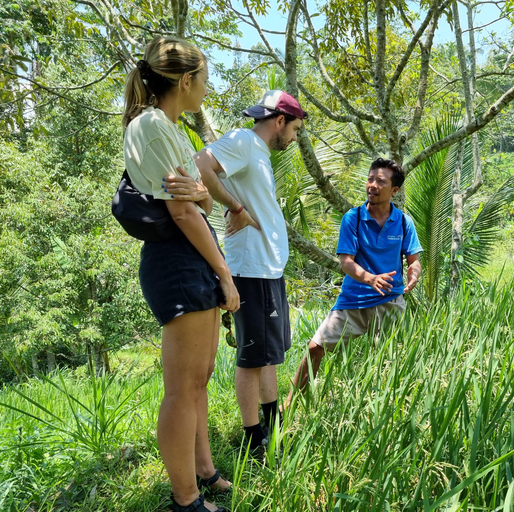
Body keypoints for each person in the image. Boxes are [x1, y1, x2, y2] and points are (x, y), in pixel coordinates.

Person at [122, 37, 238, 512]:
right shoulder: (152, 126)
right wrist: (225, 274)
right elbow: (185, 212)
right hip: (179, 258)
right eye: (205, 80)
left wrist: (203, 199)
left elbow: (201, 202)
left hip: (191, 255)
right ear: (185, 80)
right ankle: (184, 500)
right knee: (182, 387)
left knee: (200, 379)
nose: (206, 90)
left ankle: (203, 471)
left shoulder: (169, 127)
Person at [193, 90, 306, 457]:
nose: (293, 137)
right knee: (252, 356)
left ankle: (272, 429)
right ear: (279, 121)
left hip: (268, 269)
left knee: (270, 355)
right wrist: (235, 206)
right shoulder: (243, 141)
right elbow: (201, 164)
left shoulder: (258, 155)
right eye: (295, 129)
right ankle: (253, 440)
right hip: (251, 269)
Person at [286, 158, 422, 406]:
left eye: (380, 181)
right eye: (370, 178)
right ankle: (291, 406)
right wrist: (370, 279)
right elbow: (345, 262)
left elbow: (414, 260)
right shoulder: (354, 218)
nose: (372, 185)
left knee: (388, 361)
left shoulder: (403, 221)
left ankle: (382, 409)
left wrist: (414, 272)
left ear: (394, 190)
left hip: (390, 301)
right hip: (353, 300)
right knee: (315, 347)